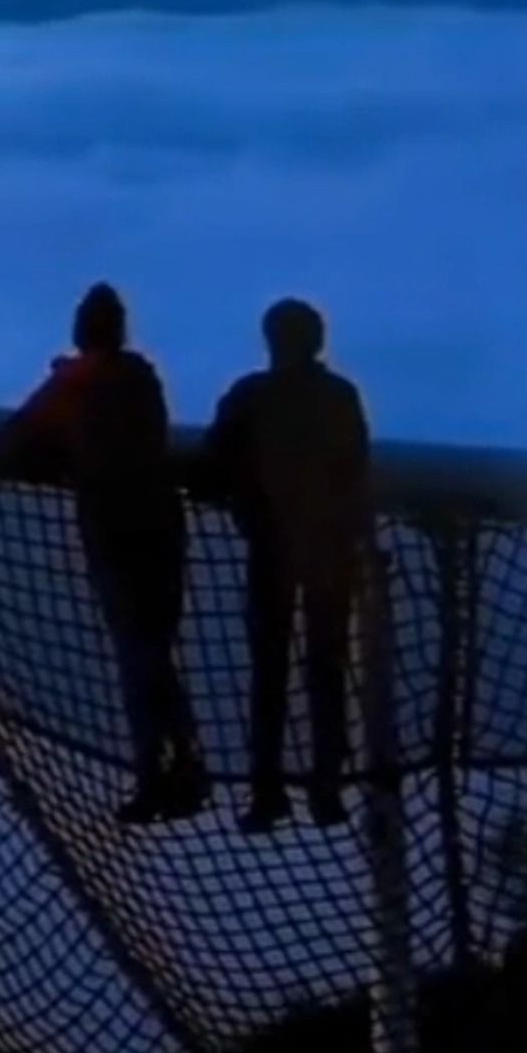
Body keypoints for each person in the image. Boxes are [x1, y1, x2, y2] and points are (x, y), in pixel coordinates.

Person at [0, 282, 209, 825]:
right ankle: (184, 762)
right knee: (155, 651)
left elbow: (13, 443)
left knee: (137, 654)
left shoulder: (79, 382)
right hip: (162, 522)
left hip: (115, 526)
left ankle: (154, 774)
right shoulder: (142, 381)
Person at [204, 298, 373, 834]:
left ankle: (267, 789)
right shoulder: (340, 397)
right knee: (326, 668)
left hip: (272, 545)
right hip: (329, 549)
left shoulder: (251, 396)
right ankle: (326, 788)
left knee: (269, 673)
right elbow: (356, 471)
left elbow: (212, 461)